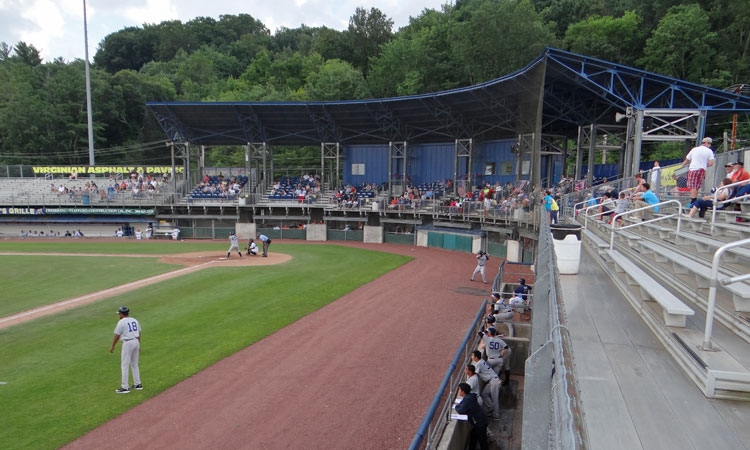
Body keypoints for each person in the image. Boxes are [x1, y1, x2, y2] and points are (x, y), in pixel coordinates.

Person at [110, 306, 142, 394]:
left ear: (121, 314)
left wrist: (113, 346)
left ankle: (125, 387)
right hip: (136, 341)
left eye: (119, 314)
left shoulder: (121, 322)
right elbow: (139, 333)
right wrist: (138, 345)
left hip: (127, 343)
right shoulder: (134, 320)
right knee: (135, 364)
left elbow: (117, 335)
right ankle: (138, 384)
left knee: (124, 365)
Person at [681, 137, 715, 207]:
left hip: (693, 169)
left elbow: (687, 159)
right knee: (697, 186)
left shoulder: (694, 149)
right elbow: (711, 163)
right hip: (702, 170)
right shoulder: (709, 151)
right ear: (707, 143)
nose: (710, 145)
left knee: (692, 186)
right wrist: (704, 165)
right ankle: (694, 201)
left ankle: (693, 201)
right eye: (709, 143)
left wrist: (682, 165)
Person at [455, 382, 489, 450]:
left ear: (463, 391)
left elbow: (461, 410)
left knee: (482, 441)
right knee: (473, 436)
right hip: (480, 421)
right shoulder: (469, 396)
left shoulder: (467, 399)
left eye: (459, 390)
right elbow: (462, 404)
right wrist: (459, 406)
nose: (458, 391)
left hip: (479, 422)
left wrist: (456, 407)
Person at [470, 350, 500, 421]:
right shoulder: (481, 361)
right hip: (492, 381)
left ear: (476, 357)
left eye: (472, 355)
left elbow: (475, 374)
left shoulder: (478, 364)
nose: (471, 357)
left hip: (494, 381)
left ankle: (496, 415)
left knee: (494, 399)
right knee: (484, 394)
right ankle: (491, 408)